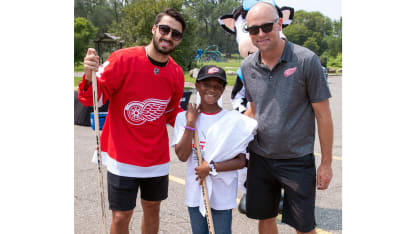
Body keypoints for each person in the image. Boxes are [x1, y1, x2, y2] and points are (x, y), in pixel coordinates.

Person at [78, 8, 186, 234]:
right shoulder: (122, 59)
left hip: (155, 158)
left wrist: (195, 127)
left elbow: (171, 112)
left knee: (153, 209)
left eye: (175, 34)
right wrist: (89, 77)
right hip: (122, 155)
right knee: (121, 215)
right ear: (154, 29)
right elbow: (94, 98)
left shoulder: (176, 73)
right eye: (164, 29)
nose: (168, 36)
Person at [241, 2, 334, 234]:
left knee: (304, 227)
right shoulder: (247, 66)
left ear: (279, 23)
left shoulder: (306, 61)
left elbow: (323, 115)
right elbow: (252, 111)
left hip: (297, 160)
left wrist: (326, 164)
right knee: (265, 220)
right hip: (260, 159)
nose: (260, 34)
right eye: (254, 30)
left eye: (266, 27)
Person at [171, 65, 246, 234]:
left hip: (222, 193)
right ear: (197, 86)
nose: (212, 90)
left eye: (217, 86)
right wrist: (191, 124)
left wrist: (211, 167)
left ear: (223, 89)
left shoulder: (232, 120)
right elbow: (182, 156)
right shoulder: (183, 118)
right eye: (206, 84)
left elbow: (242, 161)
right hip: (195, 192)